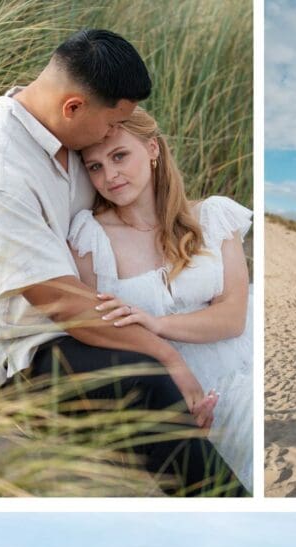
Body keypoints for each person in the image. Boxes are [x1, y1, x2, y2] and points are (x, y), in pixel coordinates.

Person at [0, 29, 244, 496]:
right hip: (24, 353)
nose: (111, 136)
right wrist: (164, 354)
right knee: (146, 381)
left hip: (87, 317)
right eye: (110, 123)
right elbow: (61, 305)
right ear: (74, 107)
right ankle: (223, 503)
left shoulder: (63, 132)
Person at [67, 106, 253, 491]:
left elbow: (234, 316)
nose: (109, 175)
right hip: (162, 380)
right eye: (95, 166)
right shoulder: (91, 236)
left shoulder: (214, 217)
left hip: (238, 362)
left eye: (120, 156)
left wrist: (156, 323)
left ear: (152, 149)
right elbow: (93, 329)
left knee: (250, 419)